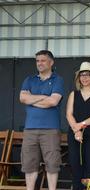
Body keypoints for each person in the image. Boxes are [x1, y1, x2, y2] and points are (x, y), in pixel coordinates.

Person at [19, 50, 64, 190]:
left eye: (43, 60)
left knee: (52, 164)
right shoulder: (29, 79)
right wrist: (44, 96)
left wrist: (32, 99)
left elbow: (53, 101)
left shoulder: (58, 80)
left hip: (50, 129)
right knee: (29, 164)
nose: (39, 63)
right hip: (30, 129)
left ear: (51, 62)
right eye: (37, 60)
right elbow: (22, 98)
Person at [66, 62, 90, 190]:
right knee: (75, 167)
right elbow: (69, 114)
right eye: (82, 75)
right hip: (74, 134)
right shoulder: (73, 94)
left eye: (88, 75)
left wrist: (80, 126)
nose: (84, 77)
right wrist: (76, 129)